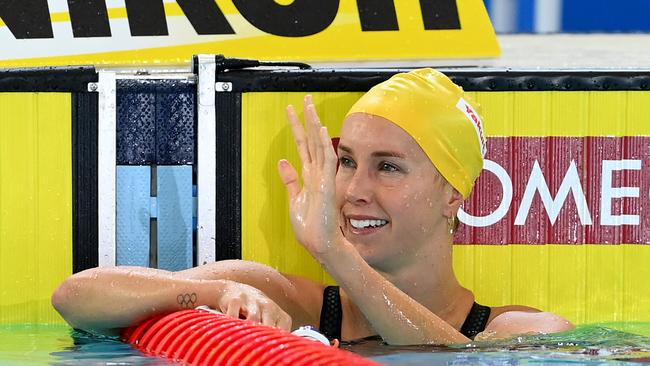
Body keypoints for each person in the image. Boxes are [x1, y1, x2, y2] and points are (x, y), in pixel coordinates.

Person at [52, 68, 573, 345]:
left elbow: (442, 359)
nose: (354, 190)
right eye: (347, 161)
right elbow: (76, 297)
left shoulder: (519, 335)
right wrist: (216, 290)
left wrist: (334, 252)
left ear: (454, 194)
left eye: (387, 166)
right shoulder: (287, 303)